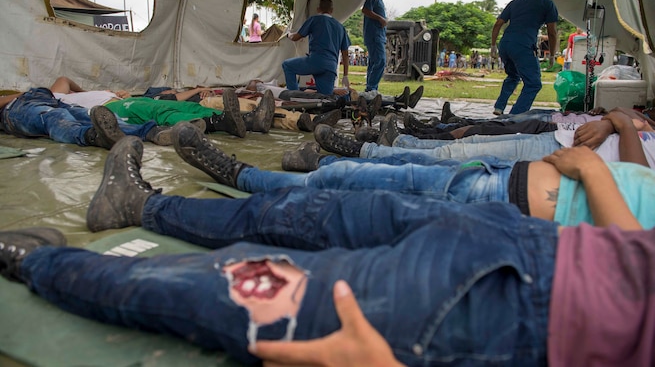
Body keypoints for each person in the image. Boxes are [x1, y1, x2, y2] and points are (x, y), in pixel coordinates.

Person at [1, 135, 653, 366]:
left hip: (491, 311)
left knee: (214, 285)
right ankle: (139, 206)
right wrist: (596, 174)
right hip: (514, 234)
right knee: (304, 209)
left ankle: (37, 262)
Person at [170, 121, 654, 228]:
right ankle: (332, 157)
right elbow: (635, 177)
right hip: (513, 175)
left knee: (347, 195)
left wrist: (591, 165)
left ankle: (242, 176)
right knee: (388, 171)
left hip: (508, 203)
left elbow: (631, 261)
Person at [316, 109, 655, 171]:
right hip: (562, 138)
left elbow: (638, 177)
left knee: (452, 162)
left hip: (572, 163)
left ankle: (365, 151)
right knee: (463, 148)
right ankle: (398, 143)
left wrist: (621, 125)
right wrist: (613, 121)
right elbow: (622, 111)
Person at [49, 77, 271, 137]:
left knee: (188, 108)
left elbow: (70, 83)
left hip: (122, 101)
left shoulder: (77, 97)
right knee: (162, 112)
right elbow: (63, 79)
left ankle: (248, 120)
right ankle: (219, 123)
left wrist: (84, 92)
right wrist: (78, 93)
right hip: (113, 109)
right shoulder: (57, 98)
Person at [0, 87, 167, 148]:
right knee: (55, 117)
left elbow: (64, 80)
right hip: (15, 109)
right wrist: (23, 94)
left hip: (51, 98)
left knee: (88, 113)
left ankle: (153, 132)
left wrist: (83, 92)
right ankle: (93, 136)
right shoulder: (12, 104)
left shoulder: (57, 91)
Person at [491, 0, 558, 115]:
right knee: (533, 84)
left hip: (506, 43)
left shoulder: (515, 2)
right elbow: (552, 32)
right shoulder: (547, 3)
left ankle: (499, 107)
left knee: (513, 76)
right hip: (523, 45)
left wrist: (493, 46)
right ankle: (515, 116)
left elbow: (498, 24)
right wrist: (552, 55)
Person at [282, 0, 351, 96]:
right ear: (332, 11)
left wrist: (288, 33)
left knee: (287, 65)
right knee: (325, 97)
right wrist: (345, 75)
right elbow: (345, 54)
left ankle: (294, 95)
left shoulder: (314, 20)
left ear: (318, 9)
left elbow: (295, 37)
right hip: (331, 67)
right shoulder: (340, 27)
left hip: (316, 61)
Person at [361, 0, 388, 92]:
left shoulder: (379, 0)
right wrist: (380, 18)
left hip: (379, 35)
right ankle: (371, 88)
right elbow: (365, 10)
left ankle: (371, 88)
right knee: (380, 61)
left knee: (373, 62)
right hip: (374, 36)